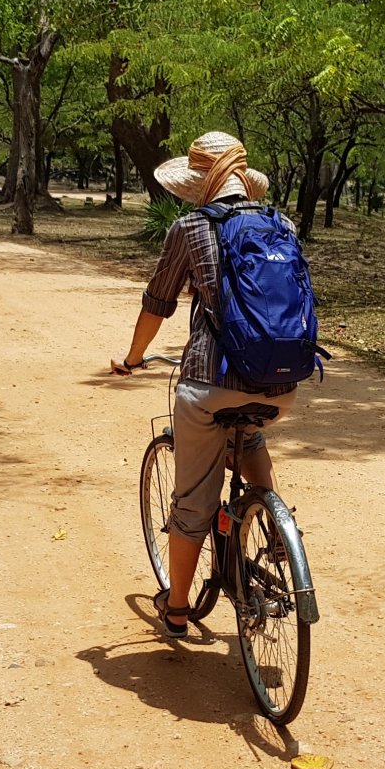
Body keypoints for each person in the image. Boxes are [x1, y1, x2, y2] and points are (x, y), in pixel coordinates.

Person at [110, 131, 300, 639]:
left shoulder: (190, 227)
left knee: (192, 502)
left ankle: (176, 610)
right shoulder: (282, 224)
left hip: (210, 385)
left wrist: (132, 359)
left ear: (199, 184)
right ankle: (277, 528)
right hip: (282, 384)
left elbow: (158, 303)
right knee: (249, 432)